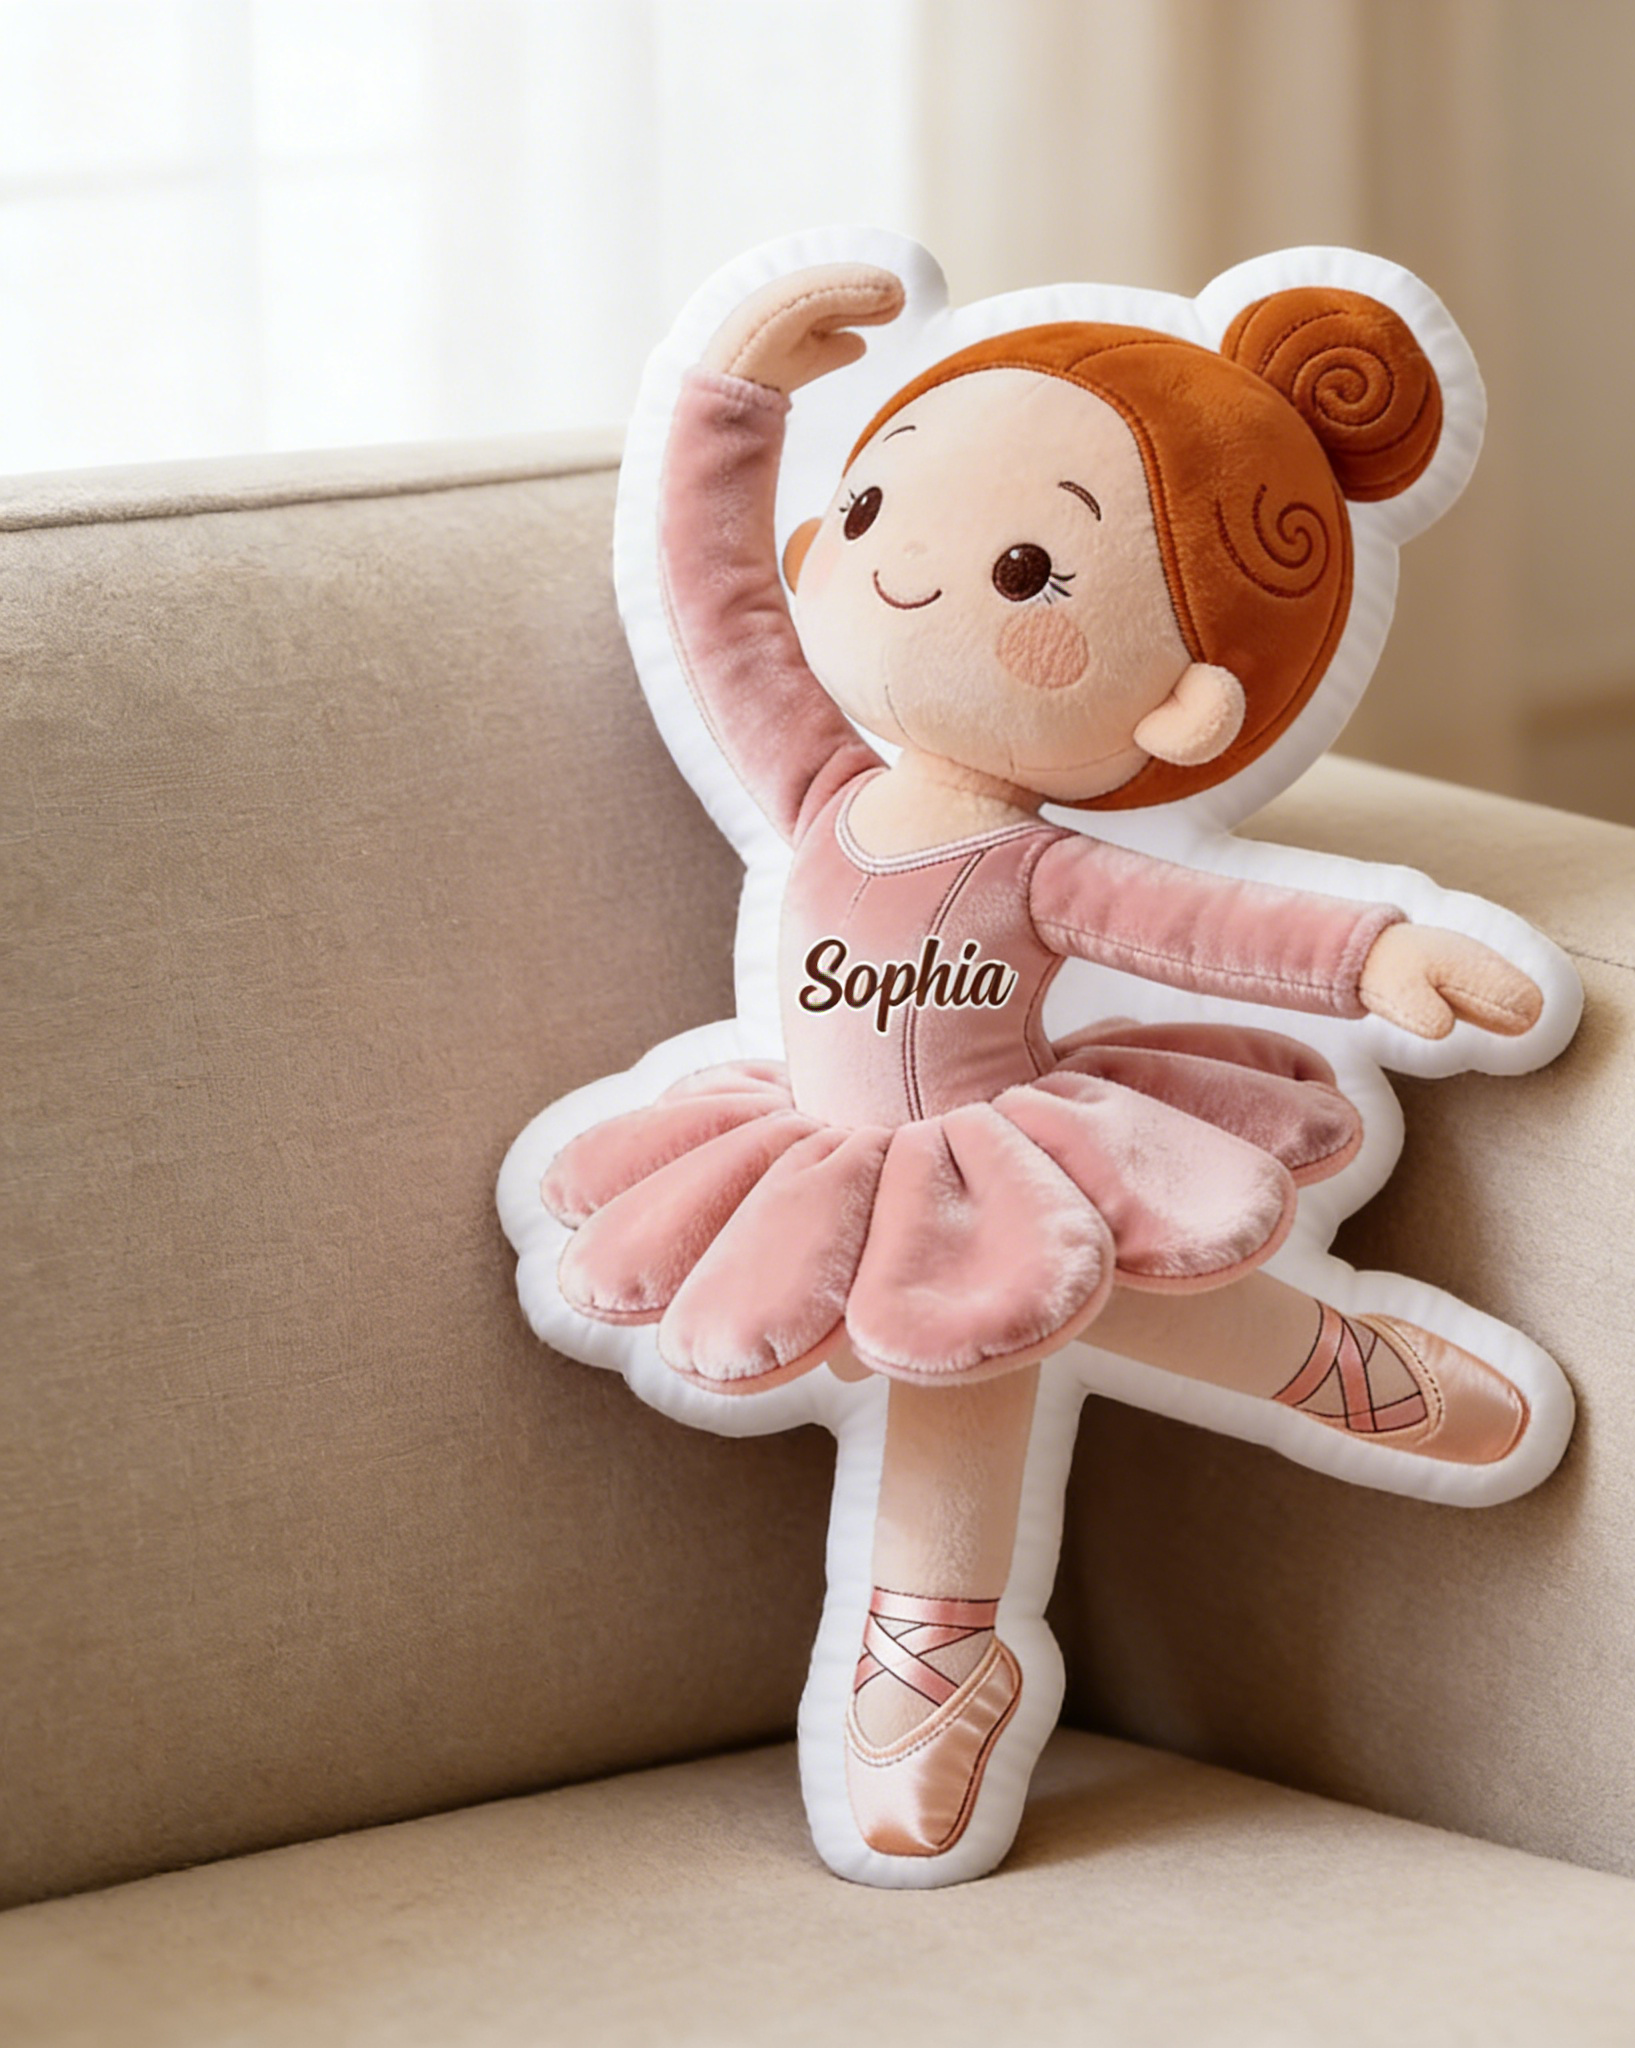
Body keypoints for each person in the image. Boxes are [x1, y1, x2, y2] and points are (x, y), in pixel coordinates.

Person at [539, 263, 1568, 1863]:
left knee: (975, 1330)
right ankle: (1323, 1372)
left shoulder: (1041, 866)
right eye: (870, 509)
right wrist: (734, 403)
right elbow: (714, 605)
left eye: (1025, 569)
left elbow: (1209, 926)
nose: (901, 572)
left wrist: (1377, 955)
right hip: (819, 1151)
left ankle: (940, 1648)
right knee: (983, 1325)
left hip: (998, 1149)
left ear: (1182, 706)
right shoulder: (815, 789)